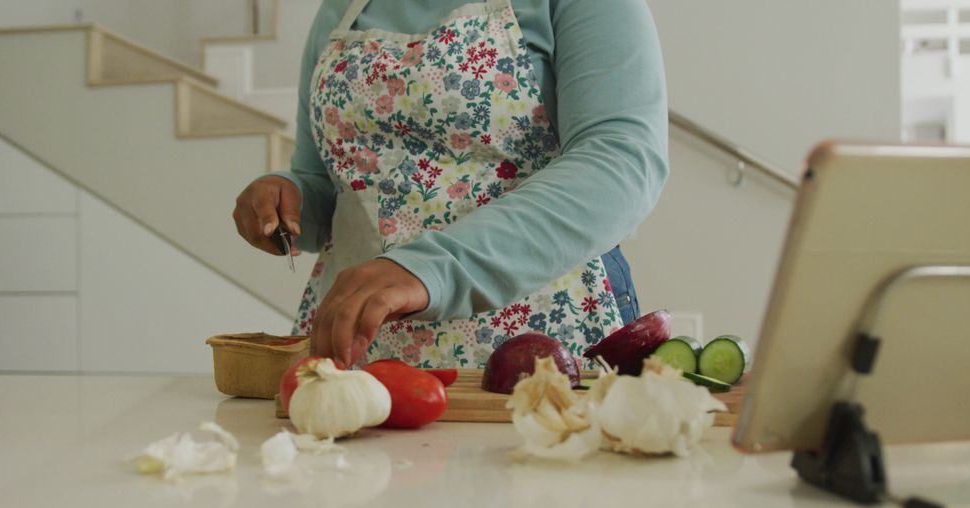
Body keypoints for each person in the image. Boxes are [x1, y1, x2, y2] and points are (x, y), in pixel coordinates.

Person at [232, 0, 668, 369]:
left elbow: (622, 163)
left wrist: (430, 267)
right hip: (359, 353)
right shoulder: (342, 9)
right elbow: (328, 183)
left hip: (538, 343)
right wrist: (287, 198)